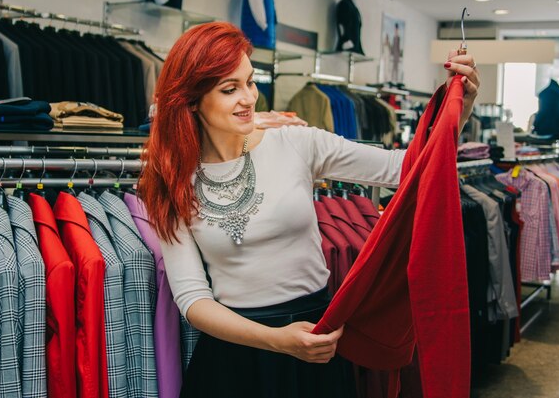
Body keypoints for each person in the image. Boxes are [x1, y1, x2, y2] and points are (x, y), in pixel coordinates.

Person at [137, 21, 480, 397]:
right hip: (236, 357)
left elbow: (406, 169)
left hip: (315, 342)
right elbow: (192, 299)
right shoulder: (170, 177)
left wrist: (455, 113)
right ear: (192, 99)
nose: (249, 98)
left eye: (250, 82)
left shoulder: (296, 144)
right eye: (229, 88)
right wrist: (276, 340)